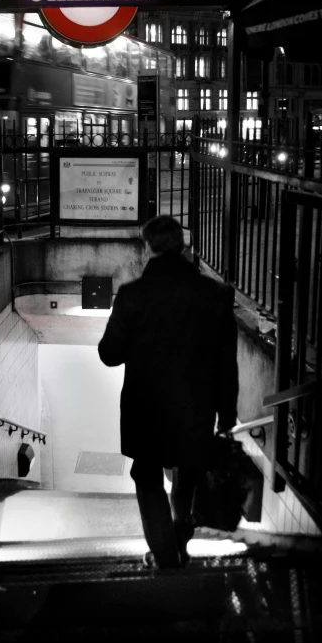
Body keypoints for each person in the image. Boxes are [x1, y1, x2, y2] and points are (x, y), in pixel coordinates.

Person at [98, 215, 239, 569]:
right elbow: (227, 361)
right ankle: (179, 537)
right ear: (183, 246)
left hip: (146, 407)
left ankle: (166, 555)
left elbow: (109, 354)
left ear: (148, 248)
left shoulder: (133, 296)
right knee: (188, 471)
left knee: (146, 476)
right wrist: (226, 412)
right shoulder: (215, 294)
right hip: (197, 406)